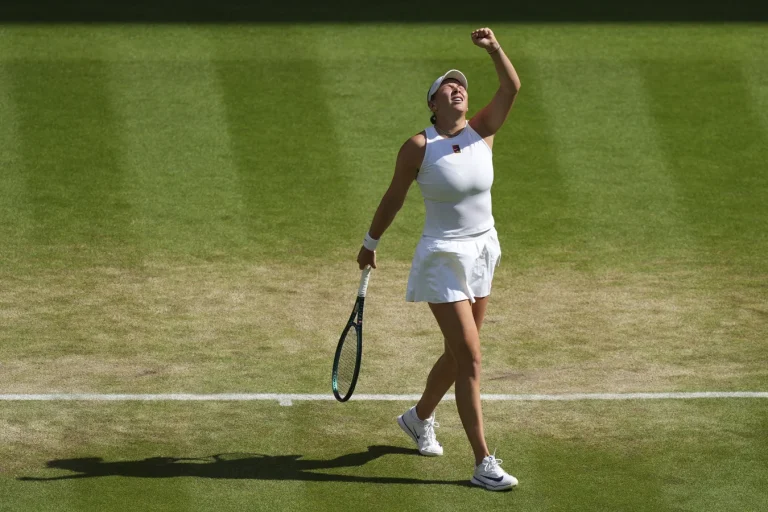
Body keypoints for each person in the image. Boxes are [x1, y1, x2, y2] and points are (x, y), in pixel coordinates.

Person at [356, 27, 522, 491]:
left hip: (483, 250)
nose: (458, 89)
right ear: (432, 104)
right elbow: (393, 198)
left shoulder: (482, 132)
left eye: (462, 86)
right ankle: (483, 461)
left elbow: (511, 87)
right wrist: (371, 242)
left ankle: (418, 417)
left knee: (457, 355)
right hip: (443, 258)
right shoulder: (419, 147)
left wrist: (494, 49)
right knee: (470, 358)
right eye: (448, 87)